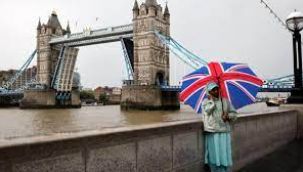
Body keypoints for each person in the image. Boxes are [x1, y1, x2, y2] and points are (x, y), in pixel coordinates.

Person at [202, 82, 237, 172]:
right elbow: (207, 111)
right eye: (213, 90)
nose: (216, 91)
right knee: (214, 155)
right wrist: (212, 102)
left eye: (217, 89)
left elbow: (234, 114)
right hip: (212, 132)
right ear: (209, 92)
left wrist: (228, 116)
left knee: (224, 154)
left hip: (224, 131)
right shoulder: (206, 102)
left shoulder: (225, 101)